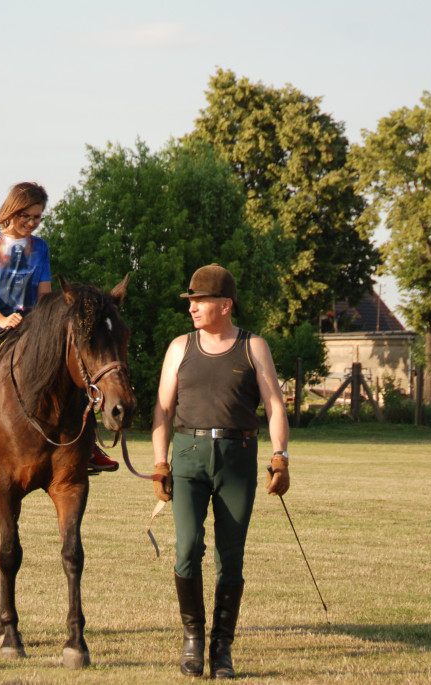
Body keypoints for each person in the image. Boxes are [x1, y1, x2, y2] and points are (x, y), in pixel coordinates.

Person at [150, 263, 290, 679]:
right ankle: (193, 641)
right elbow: (162, 409)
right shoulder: (179, 348)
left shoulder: (254, 347)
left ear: (225, 305)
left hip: (238, 457)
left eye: (199, 300)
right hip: (188, 454)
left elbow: (275, 405)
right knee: (188, 547)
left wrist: (280, 456)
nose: (192, 307)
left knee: (232, 557)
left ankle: (222, 649)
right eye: (190, 301)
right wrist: (160, 463)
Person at [0, 182, 119, 472]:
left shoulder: (39, 248)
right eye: (27, 216)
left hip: (31, 324)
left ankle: (88, 443)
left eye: (37, 217)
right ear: (12, 210)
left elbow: (44, 294)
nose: (32, 223)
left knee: (72, 362)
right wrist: (1, 319)